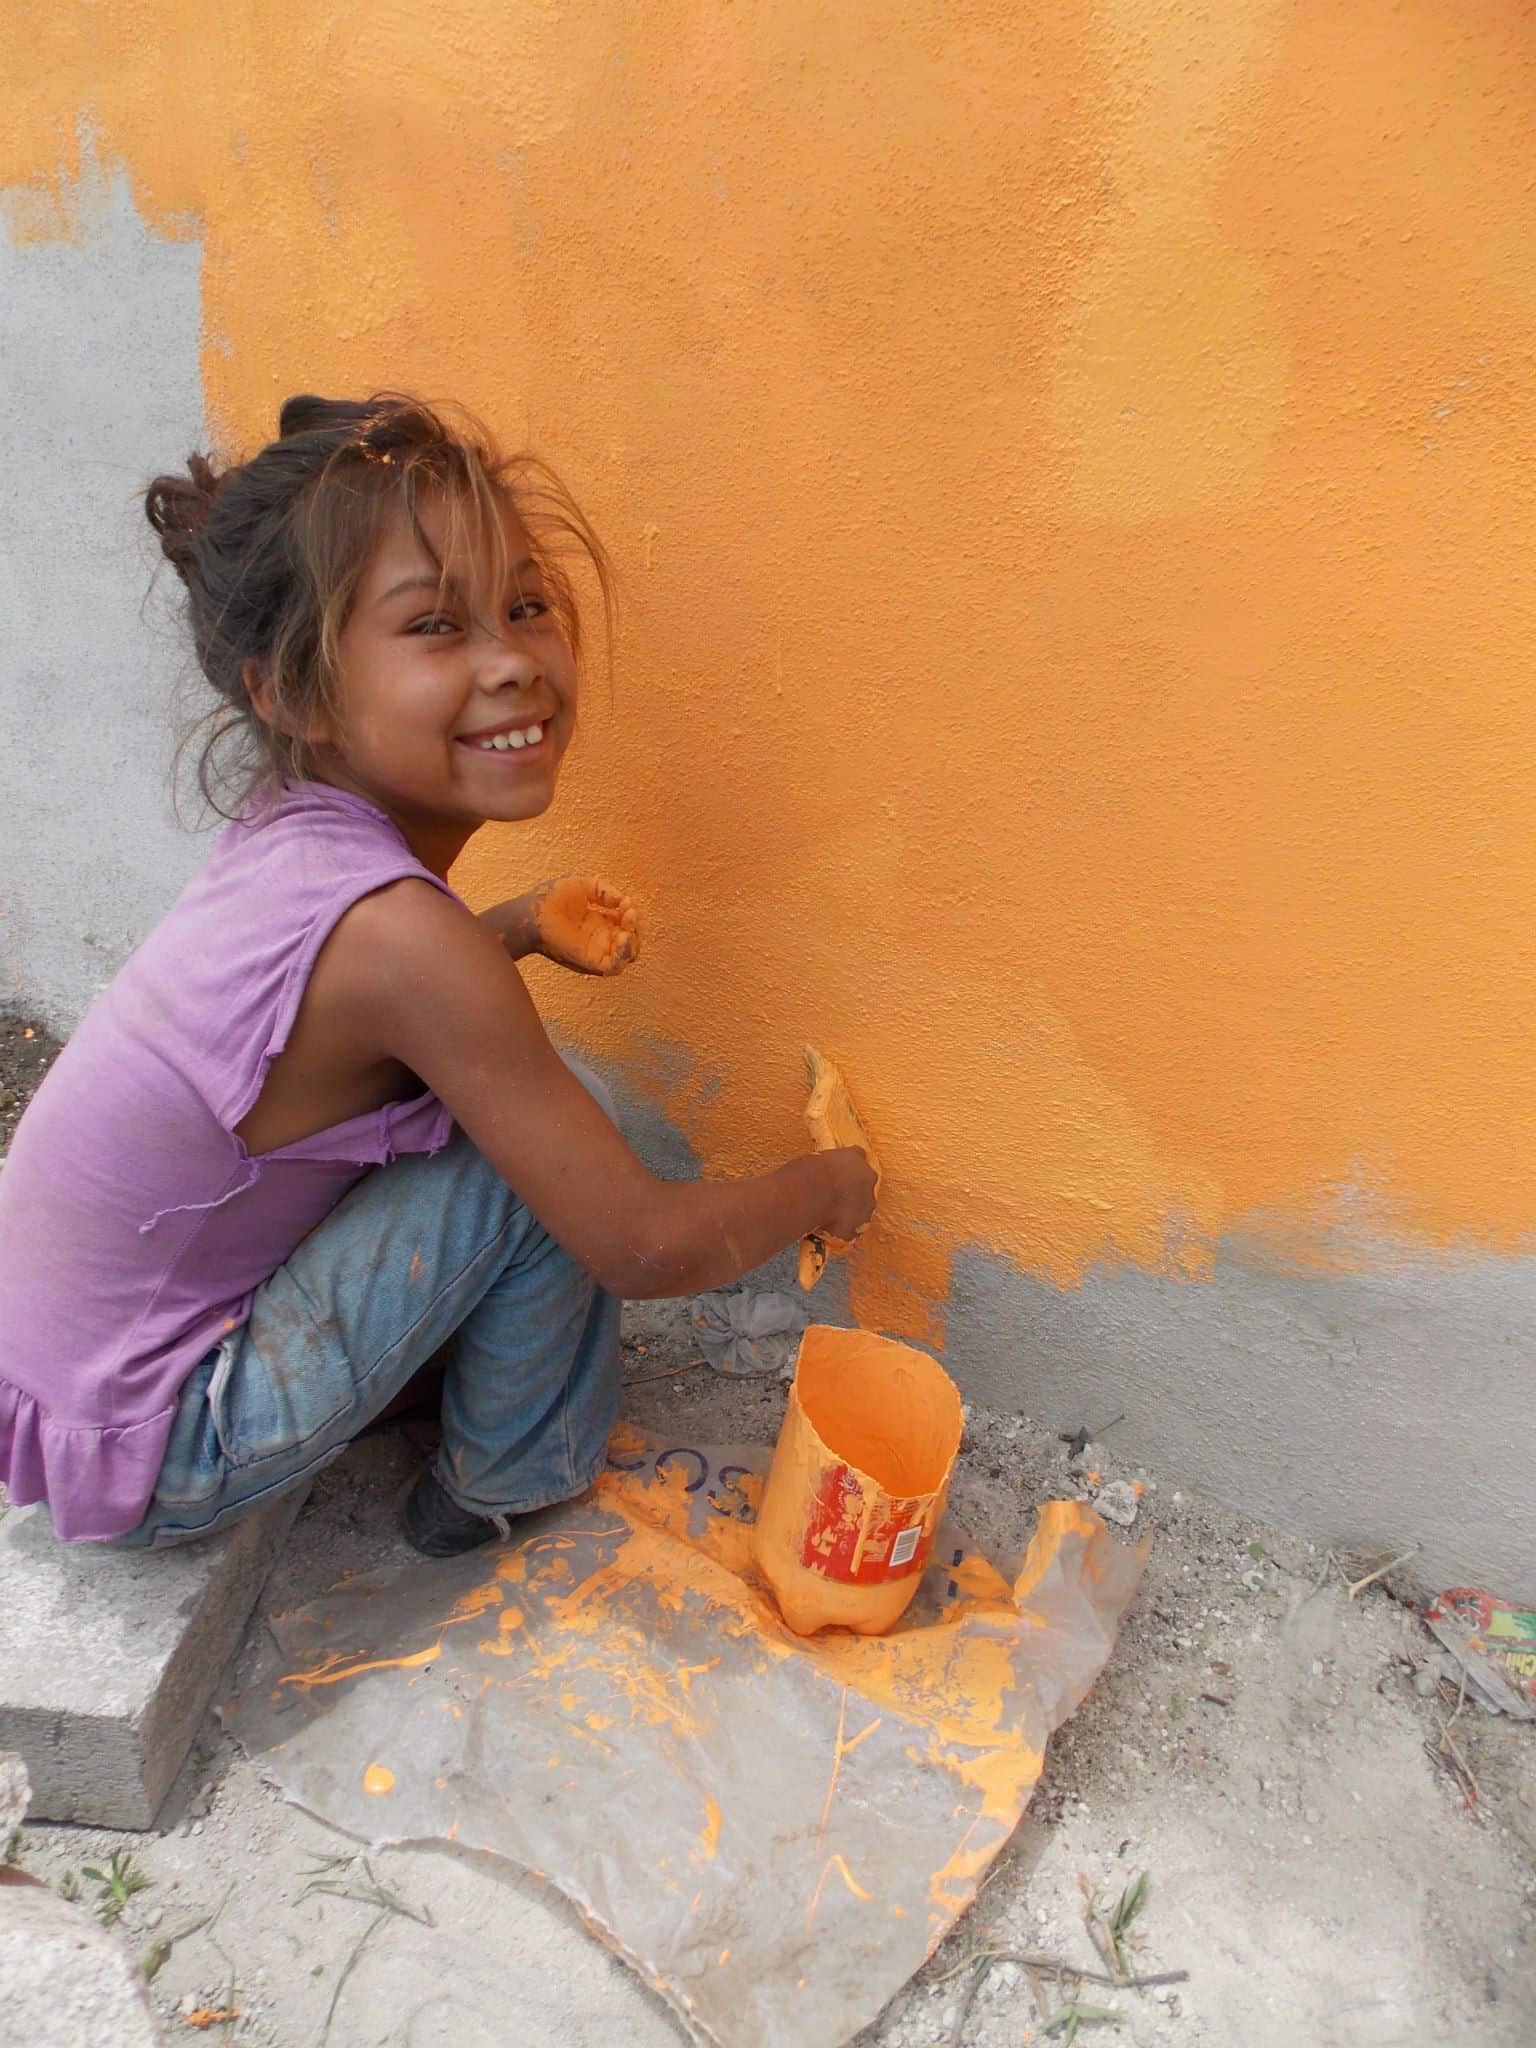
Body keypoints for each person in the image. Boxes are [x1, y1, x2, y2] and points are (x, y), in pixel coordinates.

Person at [0, 392, 877, 1557]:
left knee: (509, 1124)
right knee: (553, 1154)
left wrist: (513, 922)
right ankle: (502, 1479)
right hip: (162, 1441)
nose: (513, 661)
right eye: (436, 627)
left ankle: (418, 1388)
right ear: (290, 692)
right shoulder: (407, 943)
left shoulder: (292, 844)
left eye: (524, 606)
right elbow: (641, 1244)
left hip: (63, 1388)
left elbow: (338, 1026)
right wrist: (826, 1185)